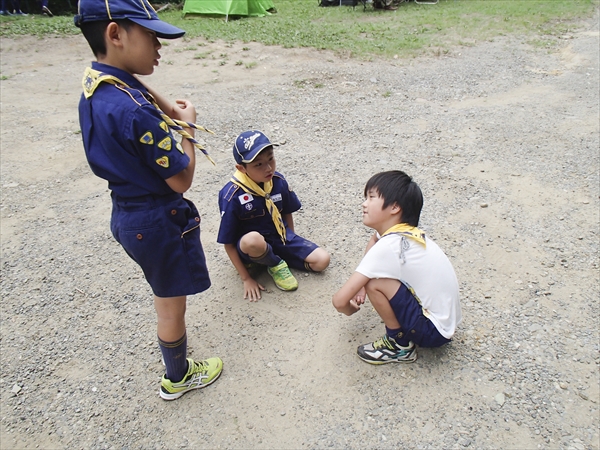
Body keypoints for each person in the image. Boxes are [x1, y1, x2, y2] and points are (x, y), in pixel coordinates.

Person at [74, 0, 222, 400]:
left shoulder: (99, 85)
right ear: (115, 34)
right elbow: (182, 180)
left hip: (127, 215)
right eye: (151, 34)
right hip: (158, 221)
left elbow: (128, 84)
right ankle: (177, 377)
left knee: (165, 296)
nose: (159, 45)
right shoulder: (137, 114)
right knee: (171, 307)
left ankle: (176, 366)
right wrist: (187, 129)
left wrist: (166, 106)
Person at [332, 170, 461, 364]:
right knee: (371, 278)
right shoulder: (405, 233)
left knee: (375, 282)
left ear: (394, 207)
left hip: (432, 331)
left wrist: (351, 309)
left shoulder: (388, 247)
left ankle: (399, 345)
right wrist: (360, 282)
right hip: (445, 322)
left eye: (371, 197)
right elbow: (374, 240)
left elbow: (339, 301)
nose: (364, 203)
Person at [217, 130, 330, 300]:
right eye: (258, 165)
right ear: (241, 168)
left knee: (322, 260)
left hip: (278, 237)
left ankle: (275, 257)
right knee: (253, 240)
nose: (268, 168)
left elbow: (286, 211)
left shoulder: (277, 181)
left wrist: (289, 241)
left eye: (271, 159)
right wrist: (246, 278)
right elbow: (228, 243)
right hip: (250, 248)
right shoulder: (232, 195)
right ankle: (274, 263)